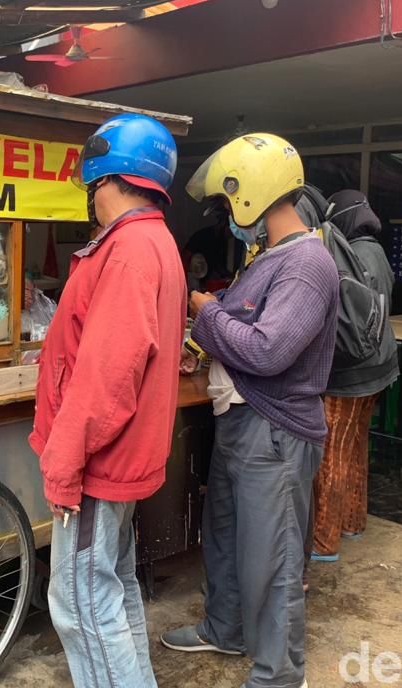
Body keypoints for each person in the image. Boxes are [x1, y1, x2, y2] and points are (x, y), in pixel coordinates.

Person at [161, 133, 338, 688]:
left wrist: (206, 312)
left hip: (276, 430)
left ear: (250, 196)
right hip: (242, 422)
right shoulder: (268, 259)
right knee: (227, 537)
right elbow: (246, 333)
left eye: (224, 205)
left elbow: (268, 349)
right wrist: (204, 345)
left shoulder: (306, 264)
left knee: (274, 557)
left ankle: (280, 674)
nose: (223, 219)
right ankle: (226, 629)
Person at [29, 113, 186, 688]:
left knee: (81, 605)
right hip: (119, 458)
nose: (91, 200)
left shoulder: (127, 250)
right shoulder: (152, 241)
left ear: (108, 180)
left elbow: (105, 379)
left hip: (100, 463)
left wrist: (65, 467)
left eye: (92, 188)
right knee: (108, 593)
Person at [310, 190, 399, 562]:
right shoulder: (375, 251)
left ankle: (324, 540)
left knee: (332, 456)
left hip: (351, 373)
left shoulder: (345, 254)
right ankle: (352, 522)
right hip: (381, 366)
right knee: (356, 447)